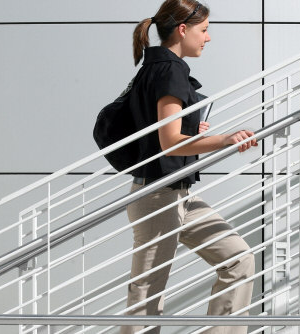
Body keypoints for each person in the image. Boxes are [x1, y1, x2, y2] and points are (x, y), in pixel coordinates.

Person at [122, 1, 257, 333]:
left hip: (178, 194)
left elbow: (161, 133)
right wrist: (226, 140)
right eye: (204, 30)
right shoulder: (169, 69)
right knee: (146, 298)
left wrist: (191, 132)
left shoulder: (157, 67)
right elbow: (169, 141)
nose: (208, 38)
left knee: (239, 259)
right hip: (158, 197)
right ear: (183, 30)